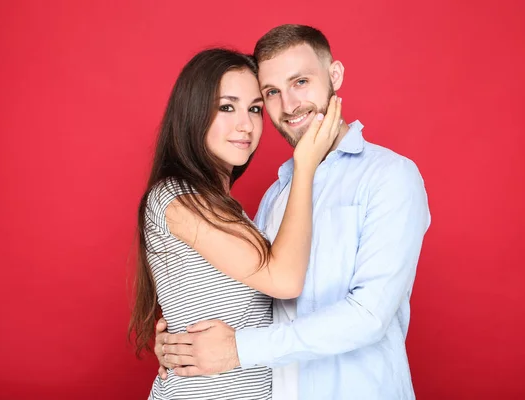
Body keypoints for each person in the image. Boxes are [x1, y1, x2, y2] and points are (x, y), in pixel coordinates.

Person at [154, 25, 431, 399]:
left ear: (335, 75)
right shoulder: (276, 196)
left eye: (300, 81)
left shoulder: (389, 176)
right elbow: (260, 298)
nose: (289, 105)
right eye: (271, 93)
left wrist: (237, 349)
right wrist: (180, 338)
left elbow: (369, 316)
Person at [128, 47, 342, 399]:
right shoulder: (177, 197)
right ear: (193, 111)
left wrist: (169, 341)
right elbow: (285, 280)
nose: (246, 125)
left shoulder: (229, 210)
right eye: (227, 106)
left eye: (255, 109)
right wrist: (305, 165)